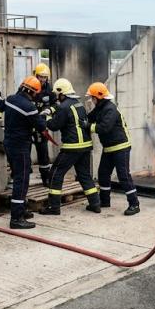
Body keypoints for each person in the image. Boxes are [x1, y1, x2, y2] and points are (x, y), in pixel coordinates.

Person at [39, 78, 101, 215]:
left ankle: (53, 207)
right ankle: (95, 203)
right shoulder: (78, 105)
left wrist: (46, 117)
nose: (56, 97)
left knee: (55, 173)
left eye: (57, 95)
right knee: (84, 175)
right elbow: (62, 110)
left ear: (62, 93)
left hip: (72, 147)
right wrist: (52, 109)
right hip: (85, 146)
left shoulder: (63, 107)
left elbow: (54, 126)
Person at [0, 76, 48, 229]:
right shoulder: (29, 107)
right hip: (21, 147)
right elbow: (41, 126)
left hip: (9, 145)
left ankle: (20, 210)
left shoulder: (10, 99)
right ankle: (16, 218)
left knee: (17, 177)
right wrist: (46, 115)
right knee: (22, 180)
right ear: (33, 93)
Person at [86, 82, 140, 216]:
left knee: (123, 176)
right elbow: (89, 117)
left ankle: (134, 204)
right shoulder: (100, 107)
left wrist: (88, 126)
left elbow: (104, 127)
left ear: (98, 98)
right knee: (103, 174)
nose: (91, 100)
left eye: (92, 97)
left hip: (121, 147)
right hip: (109, 148)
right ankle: (104, 201)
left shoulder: (110, 109)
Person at [32, 63, 56, 187]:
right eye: (40, 76)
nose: (42, 79)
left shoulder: (49, 90)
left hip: (41, 125)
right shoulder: (28, 86)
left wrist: (50, 110)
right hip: (27, 125)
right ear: (35, 75)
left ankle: (45, 178)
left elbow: (56, 104)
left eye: (45, 77)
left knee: (43, 152)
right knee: (23, 151)